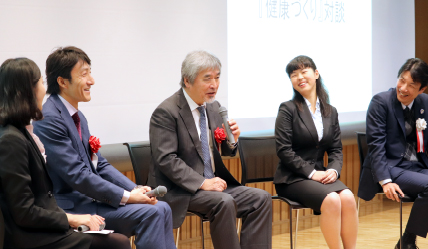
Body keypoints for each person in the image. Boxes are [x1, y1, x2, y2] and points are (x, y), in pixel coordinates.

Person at [32, 47, 176, 249]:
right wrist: (128, 197)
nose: (91, 80)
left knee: (163, 208)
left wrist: (133, 188)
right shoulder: (50, 118)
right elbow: (78, 175)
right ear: (62, 82)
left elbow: (99, 164)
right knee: (152, 212)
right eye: (84, 74)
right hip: (73, 208)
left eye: (90, 72)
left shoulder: (77, 116)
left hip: (92, 200)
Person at [0, 57, 131, 249]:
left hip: (45, 226)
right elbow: (24, 212)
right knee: (117, 244)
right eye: (41, 83)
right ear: (27, 90)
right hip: (31, 237)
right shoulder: (11, 140)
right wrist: (72, 219)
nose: (44, 90)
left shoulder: (20, 131)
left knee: (114, 237)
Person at [148, 50, 272, 249]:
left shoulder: (213, 108)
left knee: (261, 198)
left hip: (214, 186)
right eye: (207, 79)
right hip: (179, 189)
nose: (214, 85)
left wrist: (232, 142)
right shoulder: (166, 112)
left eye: (217, 77)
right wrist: (202, 182)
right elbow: (166, 159)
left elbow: (221, 149)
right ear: (187, 81)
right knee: (223, 202)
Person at [274, 55, 358, 249]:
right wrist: (312, 173)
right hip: (292, 178)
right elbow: (283, 150)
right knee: (332, 200)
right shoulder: (287, 109)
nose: (299, 77)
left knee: (347, 197)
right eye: (294, 75)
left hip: (321, 176)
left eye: (304, 71)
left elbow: (336, 148)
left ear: (316, 74)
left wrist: (334, 170)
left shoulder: (330, 111)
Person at [359, 58, 428, 249]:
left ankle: (406, 239)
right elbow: (376, 146)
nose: (403, 88)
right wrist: (385, 180)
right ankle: (407, 241)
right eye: (401, 80)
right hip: (390, 167)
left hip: (415, 165)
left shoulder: (424, 102)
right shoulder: (381, 102)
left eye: (411, 85)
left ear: (421, 90)